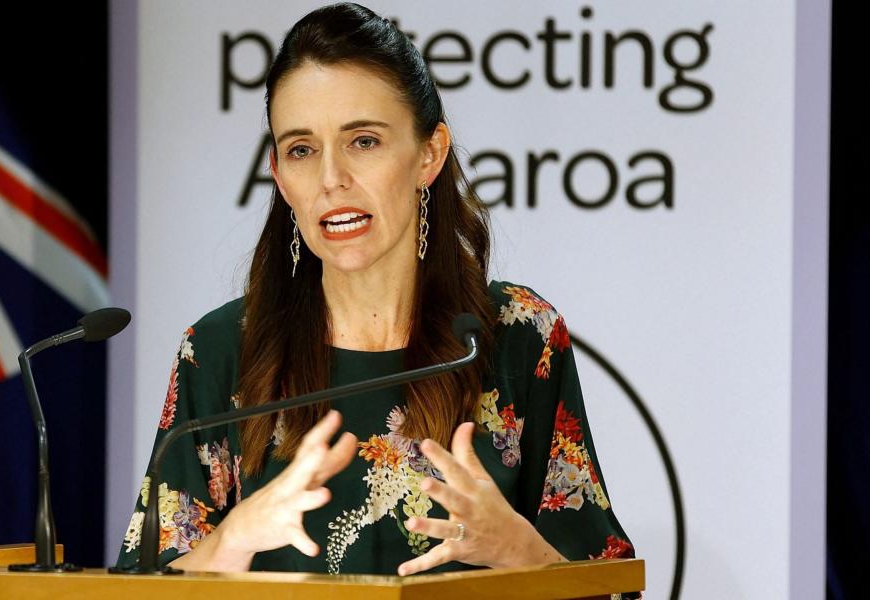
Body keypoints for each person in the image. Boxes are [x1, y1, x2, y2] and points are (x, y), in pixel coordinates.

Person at [116, 1, 636, 583]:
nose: (332, 178)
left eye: (363, 141)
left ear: (429, 154)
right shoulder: (218, 352)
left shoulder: (517, 336)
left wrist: (524, 553)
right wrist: (230, 542)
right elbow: (137, 589)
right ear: (280, 176)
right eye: (302, 150)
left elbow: (612, 585)